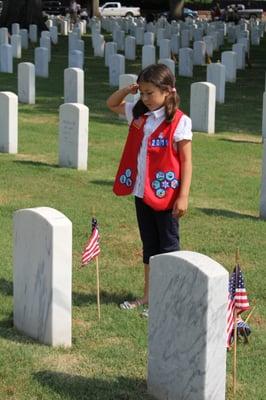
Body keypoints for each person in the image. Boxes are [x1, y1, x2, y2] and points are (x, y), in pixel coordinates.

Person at [106, 64, 192, 316]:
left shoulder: (179, 121)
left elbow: (186, 161)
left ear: (167, 91)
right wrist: (127, 89)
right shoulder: (139, 114)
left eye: (149, 93)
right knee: (149, 246)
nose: (144, 98)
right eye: (141, 93)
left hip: (166, 196)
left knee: (167, 247)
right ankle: (149, 296)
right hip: (142, 192)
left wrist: (183, 196)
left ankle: (169, 298)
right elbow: (111, 104)